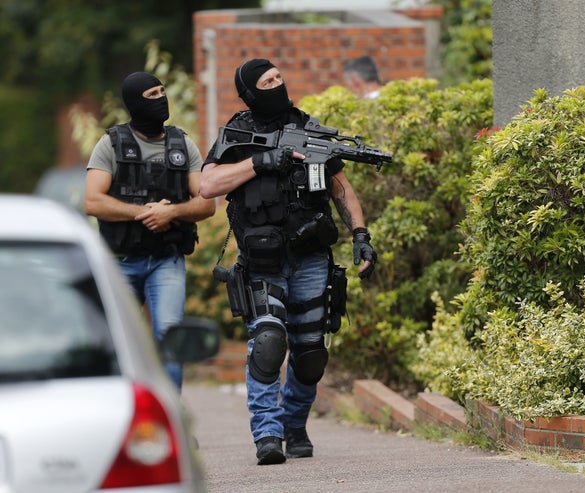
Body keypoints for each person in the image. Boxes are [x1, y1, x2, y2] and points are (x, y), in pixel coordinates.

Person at [199, 58, 377, 465]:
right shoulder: (237, 133)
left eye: (279, 77)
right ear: (249, 93)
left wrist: (361, 237)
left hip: (312, 257)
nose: (277, 84)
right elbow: (207, 184)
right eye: (267, 81)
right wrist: (260, 162)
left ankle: (295, 424)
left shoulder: (308, 128)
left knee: (311, 351)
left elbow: (341, 190)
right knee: (267, 341)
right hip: (262, 260)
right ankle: (267, 433)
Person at [85, 71, 216, 391]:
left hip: (166, 260)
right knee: (120, 343)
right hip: (121, 260)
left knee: (171, 339)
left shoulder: (183, 144)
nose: (161, 99)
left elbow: (207, 203)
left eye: (162, 91)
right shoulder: (111, 144)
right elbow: (93, 201)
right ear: (134, 104)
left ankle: (173, 419)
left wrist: (172, 211)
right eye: (152, 95)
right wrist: (144, 213)